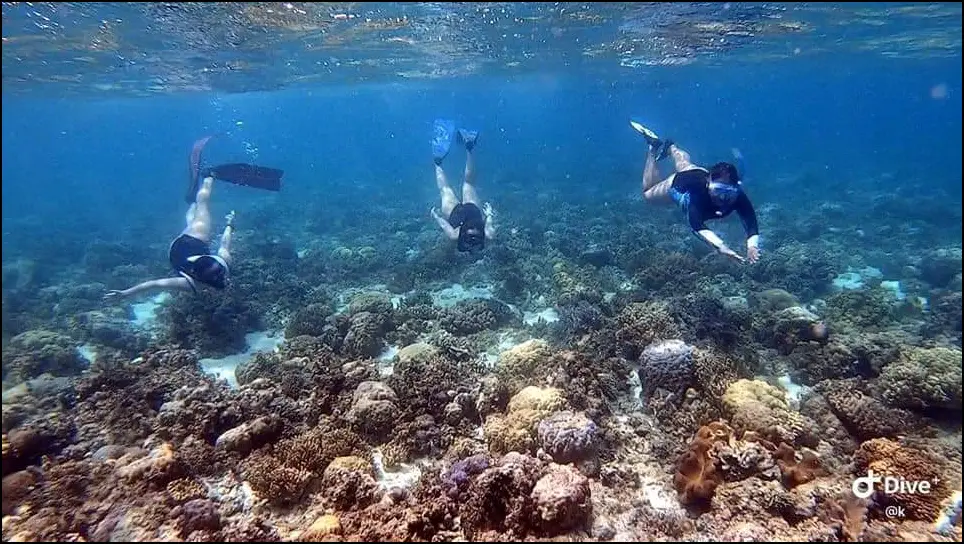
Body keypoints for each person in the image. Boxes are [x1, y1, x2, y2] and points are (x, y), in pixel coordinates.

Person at [104, 136, 284, 301]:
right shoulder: (220, 265)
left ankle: (208, 179)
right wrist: (230, 224)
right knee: (193, 220)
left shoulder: (193, 282)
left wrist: (125, 293)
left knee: (200, 212)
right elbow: (224, 243)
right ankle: (206, 179)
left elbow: (155, 284)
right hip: (186, 244)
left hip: (186, 244)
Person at [631, 119, 760, 264]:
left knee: (685, 164)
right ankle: (653, 147)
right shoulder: (698, 197)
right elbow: (696, 224)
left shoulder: (737, 196)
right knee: (648, 194)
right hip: (678, 182)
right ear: (709, 185)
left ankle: (671, 147)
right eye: (718, 190)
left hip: (698, 172)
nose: (722, 197)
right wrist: (721, 246)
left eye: (727, 191)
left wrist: (752, 246)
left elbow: (750, 218)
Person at [428, 118, 497, 253]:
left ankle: (469, 147)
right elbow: (444, 225)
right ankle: (438, 162)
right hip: (456, 214)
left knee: (468, 183)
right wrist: (435, 215)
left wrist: (489, 214)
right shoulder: (455, 236)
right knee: (445, 189)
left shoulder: (488, 235)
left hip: (472, 212)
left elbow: (489, 225)